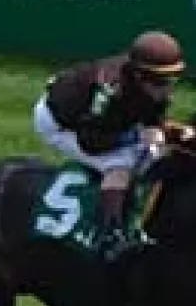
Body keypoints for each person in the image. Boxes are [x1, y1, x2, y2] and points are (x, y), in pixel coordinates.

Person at [34, 29, 186, 259]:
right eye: (160, 82)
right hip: (62, 123)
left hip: (108, 121)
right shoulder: (107, 93)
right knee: (120, 163)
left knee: (154, 155)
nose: (166, 88)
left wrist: (156, 130)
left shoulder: (148, 85)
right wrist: (134, 137)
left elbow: (152, 116)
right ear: (139, 76)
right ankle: (110, 235)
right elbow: (91, 142)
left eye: (172, 79)